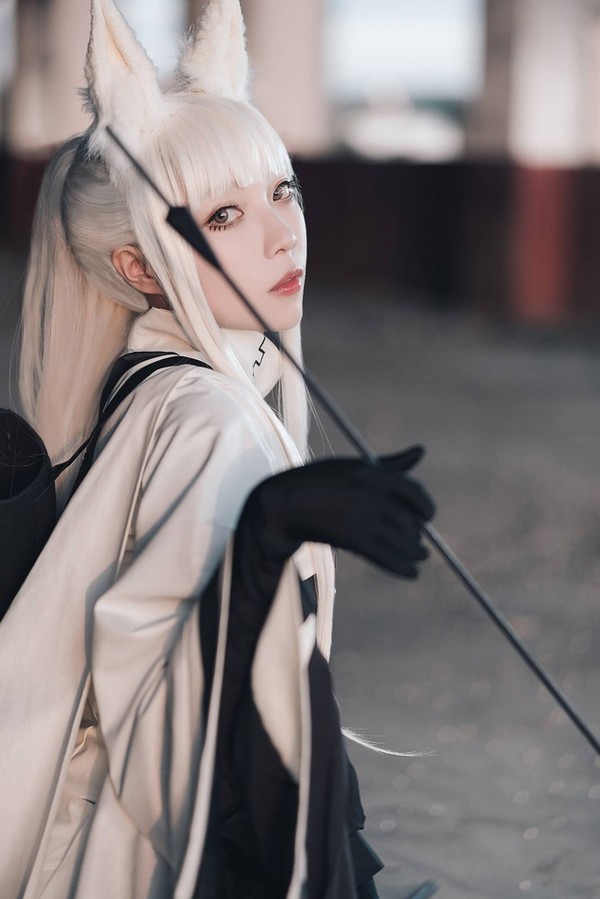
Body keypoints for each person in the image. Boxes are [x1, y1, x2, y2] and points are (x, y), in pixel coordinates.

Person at [0, 1, 435, 897]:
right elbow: (154, 677)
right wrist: (272, 530)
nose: (282, 233)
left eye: (282, 192)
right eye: (224, 215)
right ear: (138, 268)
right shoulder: (206, 414)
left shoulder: (166, 388)